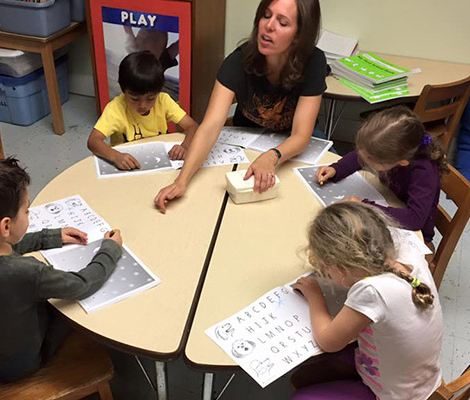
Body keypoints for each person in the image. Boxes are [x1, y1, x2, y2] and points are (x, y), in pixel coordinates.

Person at [0, 158, 123, 383]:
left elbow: (10, 244)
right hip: (24, 364)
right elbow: (81, 285)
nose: (30, 215)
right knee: (78, 313)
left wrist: (50, 237)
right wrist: (110, 251)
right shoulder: (25, 272)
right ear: (6, 225)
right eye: (27, 212)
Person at [155, 0, 327, 211]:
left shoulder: (313, 61)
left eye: (282, 22)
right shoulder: (238, 61)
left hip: (291, 144)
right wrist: (180, 182)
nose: (269, 25)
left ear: (299, 36)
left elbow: (301, 135)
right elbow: (209, 127)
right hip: (248, 137)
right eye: (266, 15)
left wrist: (272, 156)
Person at [292, 202, 443, 400]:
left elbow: (328, 342)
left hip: (395, 395)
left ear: (341, 269)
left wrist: (315, 295)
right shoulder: (412, 256)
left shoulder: (372, 292)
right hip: (422, 378)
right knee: (308, 374)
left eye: (326, 271)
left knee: (301, 396)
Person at [315, 106, 446, 244]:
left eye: (370, 159)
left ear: (402, 162)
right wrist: (337, 169)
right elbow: (362, 154)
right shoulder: (399, 151)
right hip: (390, 203)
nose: (363, 159)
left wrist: (364, 206)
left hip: (413, 235)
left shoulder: (424, 172)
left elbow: (414, 220)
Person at [87, 51, 198, 170]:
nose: (143, 105)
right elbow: (93, 141)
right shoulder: (115, 109)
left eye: (151, 98)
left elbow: (192, 126)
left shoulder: (163, 100)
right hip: (127, 163)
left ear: (158, 92)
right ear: (124, 90)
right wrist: (115, 156)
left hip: (158, 159)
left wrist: (185, 147)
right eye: (134, 99)